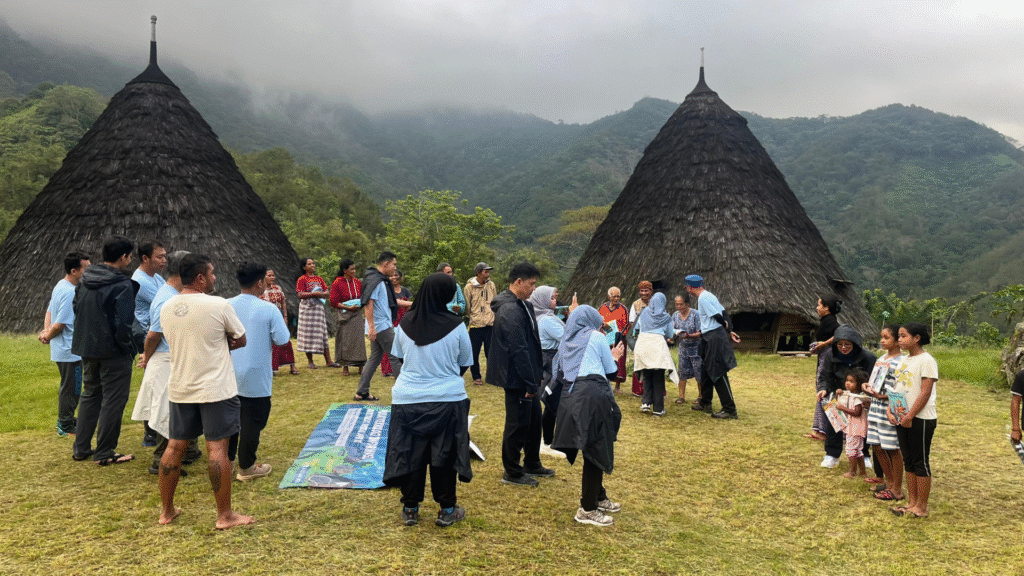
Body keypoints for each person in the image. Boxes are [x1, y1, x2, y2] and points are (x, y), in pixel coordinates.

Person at [157, 253, 253, 529]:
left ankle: (166, 511)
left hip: (180, 387)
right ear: (200, 278)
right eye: (211, 274)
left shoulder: (167, 307)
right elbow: (240, 338)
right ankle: (224, 515)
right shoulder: (218, 305)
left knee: (174, 446)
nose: (214, 278)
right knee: (217, 450)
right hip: (216, 389)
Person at [383, 273, 474, 527]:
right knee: (444, 456)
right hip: (447, 400)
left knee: (410, 453)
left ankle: (410, 508)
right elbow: (465, 362)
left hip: (407, 400)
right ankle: (447, 509)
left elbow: (399, 358)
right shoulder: (456, 325)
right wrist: (443, 379)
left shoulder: (405, 324)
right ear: (445, 295)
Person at [550, 305, 625, 526]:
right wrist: (614, 355)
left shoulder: (566, 341)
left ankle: (598, 496)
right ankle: (587, 508)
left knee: (591, 445)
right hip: (593, 395)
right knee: (596, 448)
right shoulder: (596, 336)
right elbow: (611, 372)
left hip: (572, 398)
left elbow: (562, 372)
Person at [132, 250, 202, 475]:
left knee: (183, 406)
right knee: (167, 410)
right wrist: (148, 356)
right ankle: (161, 460)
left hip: (172, 357)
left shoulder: (171, 292)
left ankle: (188, 450)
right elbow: (154, 335)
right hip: (165, 359)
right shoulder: (168, 298)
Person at [71, 236, 138, 466]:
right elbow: (124, 324)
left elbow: (76, 308)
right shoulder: (123, 284)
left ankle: (81, 448)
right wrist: (130, 349)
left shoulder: (84, 280)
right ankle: (105, 451)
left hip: (87, 348)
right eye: (130, 256)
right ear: (123, 257)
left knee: (90, 395)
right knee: (113, 400)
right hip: (113, 351)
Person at [487, 262, 550, 487]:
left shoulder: (523, 304)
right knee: (517, 423)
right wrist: (529, 380)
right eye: (531, 284)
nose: (534, 288)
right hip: (517, 377)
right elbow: (518, 349)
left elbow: (531, 343)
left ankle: (532, 462)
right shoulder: (509, 309)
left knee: (534, 420)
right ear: (518, 282)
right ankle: (512, 471)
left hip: (529, 375)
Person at [228, 262, 290, 481]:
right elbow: (282, 339)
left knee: (230, 421)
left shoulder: (226, 305)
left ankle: (226, 463)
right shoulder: (267, 308)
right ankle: (246, 467)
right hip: (256, 375)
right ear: (259, 282)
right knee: (252, 422)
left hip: (228, 373)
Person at [887, 322, 938, 519]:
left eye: (903, 336)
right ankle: (912, 502)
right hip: (902, 417)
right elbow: (897, 389)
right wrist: (891, 411)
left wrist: (910, 416)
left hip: (921, 419)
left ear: (917, 338)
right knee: (908, 460)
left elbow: (925, 393)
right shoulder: (903, 361)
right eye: (898, 336)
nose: (899, 340)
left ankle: (922, 507)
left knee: (920, 461)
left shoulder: (927, 361)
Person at [39, 251, 90, 436]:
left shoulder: (61, 285)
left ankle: (67, 420)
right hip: (69, 350)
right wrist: (49, 335)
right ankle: (65, 424)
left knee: (69, 385)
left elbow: (49, 311)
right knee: (72, 388)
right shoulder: (70, 292)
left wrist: (46, 332)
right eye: (87, 268)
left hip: (65, 347)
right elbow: (60, 323)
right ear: (75, 271)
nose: (89, 271)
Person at [815, 325, 876, 468]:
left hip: (859, 396)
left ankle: (864, 455)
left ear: (854, 344)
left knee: (860, 426)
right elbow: (825, 376)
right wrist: (823, 389)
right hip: (837, 392)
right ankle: (832, 455)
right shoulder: (831, 355)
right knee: (833, 424)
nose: (843, 347)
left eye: (847, 344)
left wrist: (866, 396)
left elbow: (873, 379)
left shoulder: (868, 357)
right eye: (840, 344)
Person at [686, 275, 742, 419]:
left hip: (714, 336)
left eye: (687, 286)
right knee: (705, 369)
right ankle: (705, 402)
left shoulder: (703, 298)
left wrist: (725, 326)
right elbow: (724, 312)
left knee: (718, 372)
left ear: (691, 287)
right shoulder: (709, 295)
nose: (686, 289)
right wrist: (729, 331)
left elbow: (719, 316)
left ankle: (730, 409)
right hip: (709, 337)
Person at [528, 285, 576, 450]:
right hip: (552, 364)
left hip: (549, 361)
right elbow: (569, 336)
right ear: (542, 300)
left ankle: (549, 440)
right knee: (552, 403)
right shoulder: (547, 320)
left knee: (552, 402)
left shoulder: (543, 316)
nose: (556, 301)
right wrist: (574, 315)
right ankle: (548, 441)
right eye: (552, 298)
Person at [864, 324, 904, 502]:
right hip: (875, 408)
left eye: (886, 337)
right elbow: (875, 381)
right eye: (881, 337)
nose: (882, 340)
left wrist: (884, 396)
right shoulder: (881, 358)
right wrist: (867, 387)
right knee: (877, 446)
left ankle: (897, 487)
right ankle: (889, 482)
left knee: (892, 448)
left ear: (897, 340)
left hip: (889, 409)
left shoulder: (902, 362)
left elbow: (902, 387)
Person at [355, 251, 401, 401]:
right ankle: (405, 391)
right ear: (386, 264)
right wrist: (372, 327)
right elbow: (369, 304)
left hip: (379, 326)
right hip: (381, 327)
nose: (395, 268)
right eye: (394, 264)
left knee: (374, 358)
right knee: (396, 357)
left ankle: (362, 392)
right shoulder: (377, 281)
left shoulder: (377, 279)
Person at [632, 292, 678, 416]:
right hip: (657, 345)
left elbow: (636, 328)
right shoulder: (666, 316)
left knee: (647, 374)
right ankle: (658, 409)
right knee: (658, 377)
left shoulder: (644, 312)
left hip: (643, 343)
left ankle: (646, 402)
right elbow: (669, 334)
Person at [805, 295, 842, 441]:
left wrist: (824, 344)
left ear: (827, 308)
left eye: (819, 305)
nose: (817, 307)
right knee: (822, 393)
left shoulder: (832, 322)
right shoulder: (826, 321)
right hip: (823, 358)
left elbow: (840, 333)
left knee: (824, 392)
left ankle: (831, 431)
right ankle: (821, 430)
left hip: (829, 360)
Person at [328, 258, 366, 376]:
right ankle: (345, 367)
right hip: (344, 314)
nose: (354, 271)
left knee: (359, 340)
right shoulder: (338, 283)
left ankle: (361, 366)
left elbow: (363, 296)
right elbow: (333, 302)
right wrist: (348, 307)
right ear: (345, 270)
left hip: (357, 313)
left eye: (355, 269)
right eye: (352, 269)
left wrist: (360, 304)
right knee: (345, 340)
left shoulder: (357, 282)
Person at [295, 258, 335, 369]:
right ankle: (310, 361)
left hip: (318, 310)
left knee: (322, 333)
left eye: (313, 263)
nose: (312, 265)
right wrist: (313, 294)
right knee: (308, 334)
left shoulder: (319, 279)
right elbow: (299, 294)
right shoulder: (302, 279)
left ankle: (329, 361)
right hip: (307, 309)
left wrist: (322, 294)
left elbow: (327, 292)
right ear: (304, 267)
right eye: (309, 264)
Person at [262, 269, 300, 375]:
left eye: (273, 275)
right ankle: (272, 368)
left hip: (278, 316)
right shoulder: (260, 290)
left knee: (285, 340)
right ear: (264, 276)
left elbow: (283, 301)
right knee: (270, 344)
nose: (272, 277)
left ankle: (292, 366)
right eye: (269, 275)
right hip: (266, 318)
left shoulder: (277, 288)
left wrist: (285, 316)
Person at [464, 262, 496, 386]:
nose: (487, 274)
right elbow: (468, 305)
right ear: (478, 272)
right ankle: (476, 376)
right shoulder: (469, 287)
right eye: (485, 271)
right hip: (476, 324)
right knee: (474, 352)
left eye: (488, 271)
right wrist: (474, 316)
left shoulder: (491, 285)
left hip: (489, 323)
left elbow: (495, 301)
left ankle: (492, 376)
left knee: (491, 352)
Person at [835, 369, 870, 478]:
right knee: (858, 450)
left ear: (859, 385)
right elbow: (837, 404)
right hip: (854, 426)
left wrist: (843, 408)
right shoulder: (849, 395)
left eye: (852, 381)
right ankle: (862, 471)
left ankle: (852, 471)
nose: (848, 383)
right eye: (847, 380)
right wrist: (838, 395)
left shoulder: (858, 398)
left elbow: (857, 412)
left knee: (850, 449)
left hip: (855, 427)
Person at [381, 268, 413, 377]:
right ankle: (387, 370)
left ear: (401, 277)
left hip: (404, 320)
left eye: (397, 275)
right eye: (392, 276)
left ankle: (403, 367)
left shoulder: (405, 290)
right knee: (390, 344)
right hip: (391, 319)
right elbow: (396, 303)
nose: (394, 278)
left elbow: (408, 306)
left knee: (404, 345)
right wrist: (412, 303)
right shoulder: (387, 290)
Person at [671, 294, 701, 405]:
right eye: (677, 304)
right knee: (682, 372)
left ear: (687, 304)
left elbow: (700, 331)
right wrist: (671, 338)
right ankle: (681, 396)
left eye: (681, 304)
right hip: (683, 347)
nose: (678, 306)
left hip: (696, 347)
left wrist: (689, 335)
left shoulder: (695, 314)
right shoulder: (675, 315)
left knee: (699, 372)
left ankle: (700, 396)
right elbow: (672, 329)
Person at [598, 287, 629, 393]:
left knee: (619, 361)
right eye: (614, 296)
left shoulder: (623, 309)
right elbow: (598, 321)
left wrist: (619, 335)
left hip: (618, 338)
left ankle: (617, 386)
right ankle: (605, 383)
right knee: (604, 359)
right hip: (605, 337)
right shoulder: (602, 308)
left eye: (618, 296)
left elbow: (626, 325)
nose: (616, 298)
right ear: (608, 297)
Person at [626, 280, 654, 397]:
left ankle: (655, 390)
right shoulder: (635, 304)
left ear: (651, 291)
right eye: (641, 291)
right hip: (640, 337)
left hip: (653, 337)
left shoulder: (655, 302)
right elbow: (632, 321)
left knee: (653, 363)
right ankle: (639, 390)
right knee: (640, 362)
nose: (644, 293)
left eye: (646, 290)